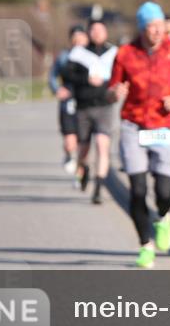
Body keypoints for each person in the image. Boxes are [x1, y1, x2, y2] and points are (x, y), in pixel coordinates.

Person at [108, 2, 170, 269]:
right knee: (137, 190)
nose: (158, 31)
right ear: (142, 28)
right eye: (152, 27)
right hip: (133, 125)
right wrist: (115, 93)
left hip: (164, 126)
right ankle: (145, 245)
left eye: (160, 26)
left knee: (164, 191)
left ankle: (162, 216)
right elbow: (112, 87)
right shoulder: (126, 53)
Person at [65, 19, 118, 204]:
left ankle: (99, 188)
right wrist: (87, 78)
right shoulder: (78, 54)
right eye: (93, 30)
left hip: (104, 105)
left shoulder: (113, 53)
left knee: (103, 146)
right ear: (88, 33)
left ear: (106, 32)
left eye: (100, 30)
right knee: (84, 149)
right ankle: (83, 167)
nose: (96, 33)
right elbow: (67, 75)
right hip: (83, 107)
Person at [48, 25, 88, 176]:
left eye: (81, 37)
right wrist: (57, 89)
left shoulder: (91, 56)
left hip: (86, 103)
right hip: (69, 103)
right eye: (75, 37)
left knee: (83, 142)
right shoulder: (64, 56)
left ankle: (81, 172)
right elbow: (52, 75)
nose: (78, 40)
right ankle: (70, 155)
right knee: (70, 141)